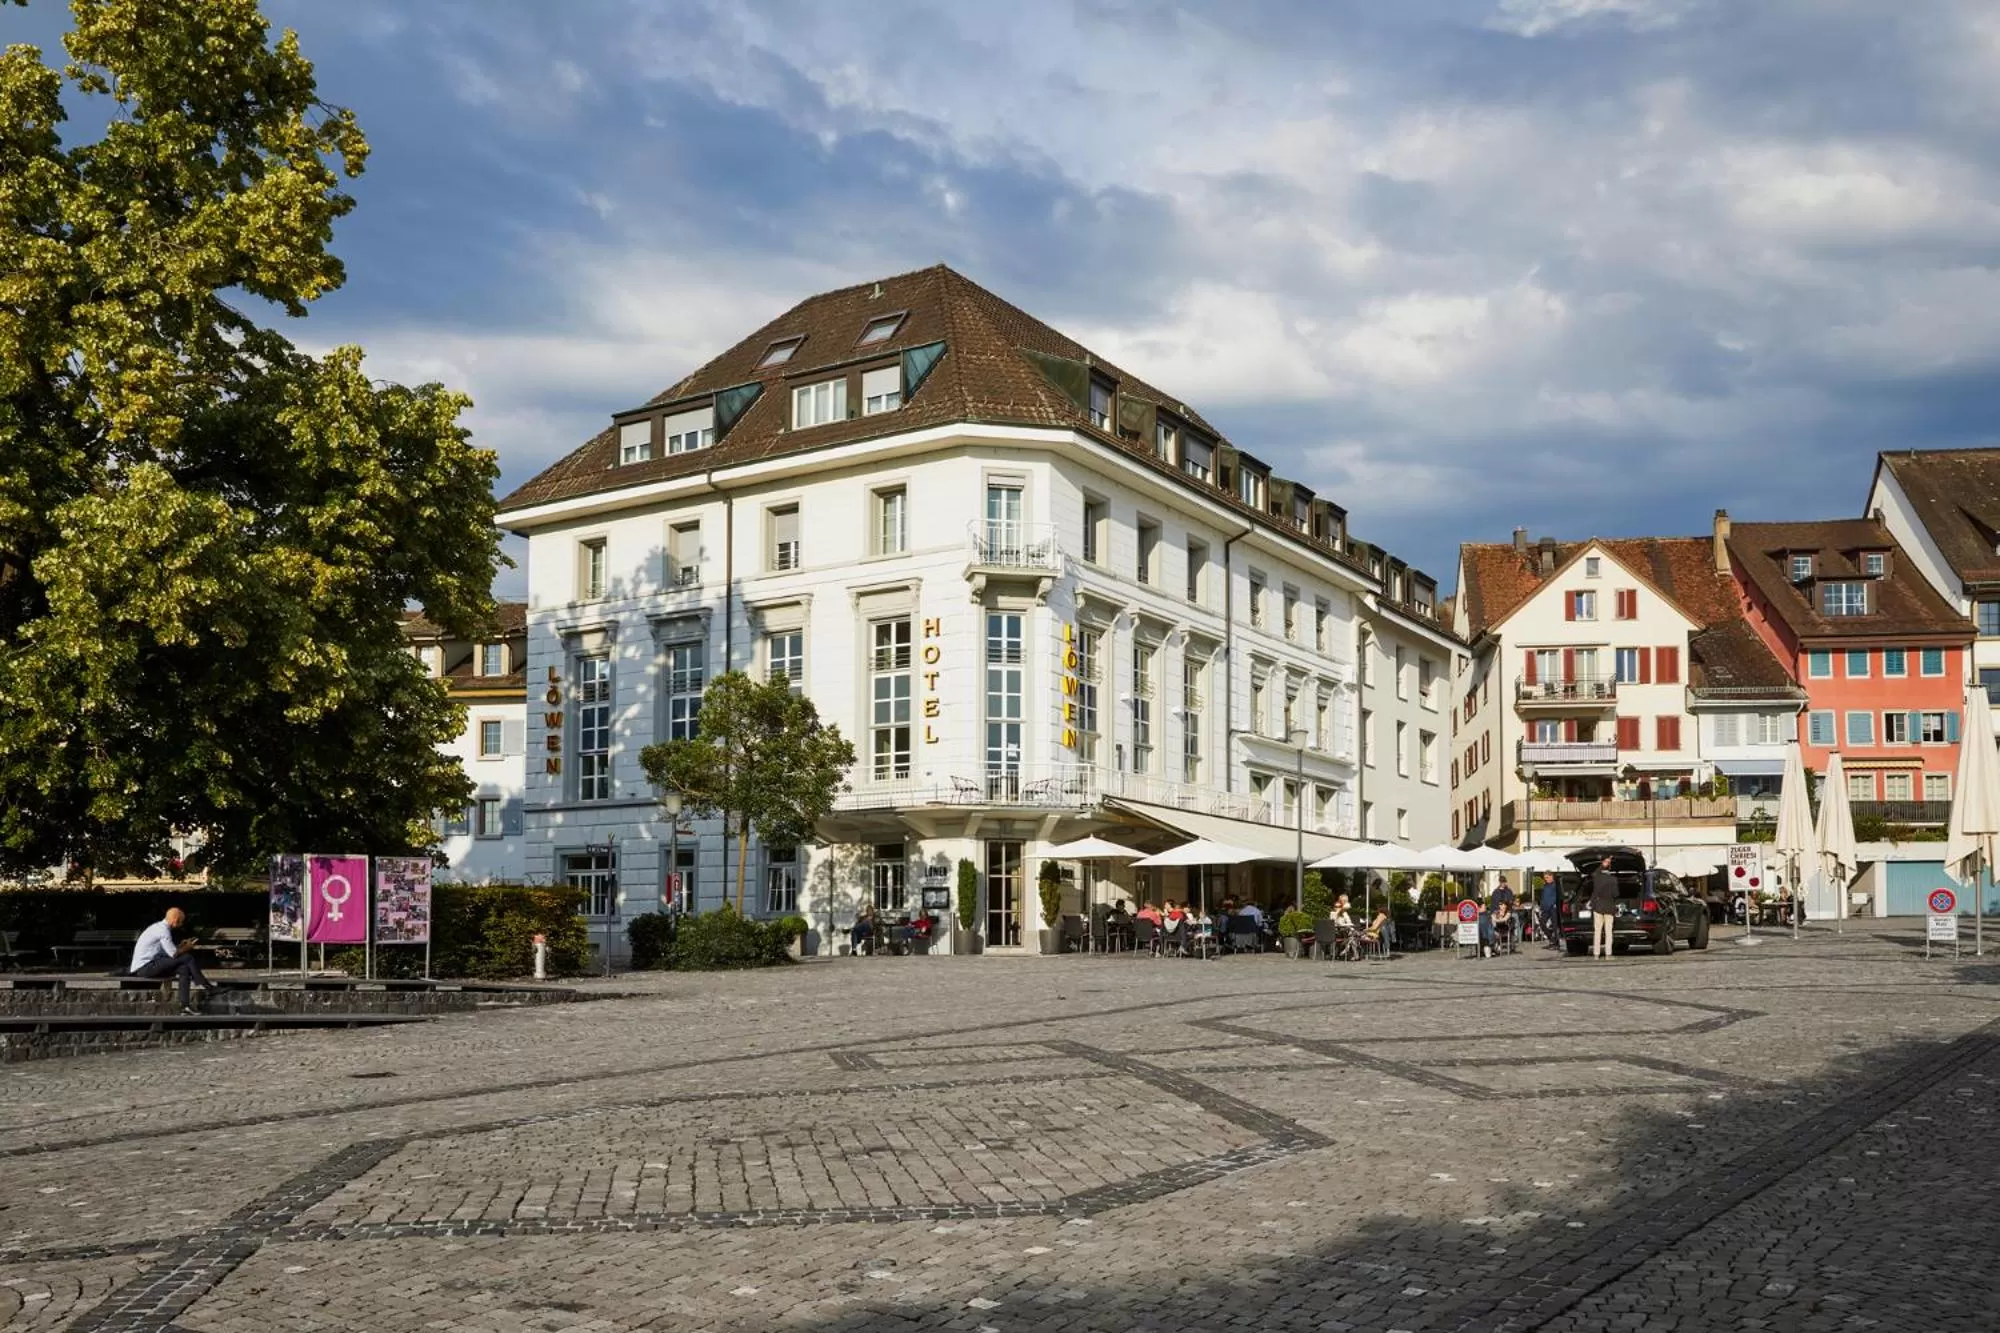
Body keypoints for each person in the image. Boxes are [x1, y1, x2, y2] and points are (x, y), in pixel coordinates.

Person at [129, 907, 210, 1013]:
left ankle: (184, 1006)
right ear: (175, 920)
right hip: (145, 967)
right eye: (181, 922)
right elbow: (173, 954)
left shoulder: (158, 927)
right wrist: (188, 947)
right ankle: (206, 985)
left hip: (150, 964)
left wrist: (180, 946)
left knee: (184, 968)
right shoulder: (163, 931)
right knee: (187, 957)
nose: (181, 925)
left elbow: (166, 951)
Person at [1590, 858, 1619, 958]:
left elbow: (1595, 872)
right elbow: (1616, 894)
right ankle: (1608, 953)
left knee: (1597, 931)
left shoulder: (1597, 877)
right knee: (1608, 932)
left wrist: (1604, 863)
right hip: (1609, 907)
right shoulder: (1613, 880)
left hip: (1598, 907)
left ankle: (1596, 954)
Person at [1537, 872, 1562, 951]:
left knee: (1555, 926)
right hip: (1545, 909)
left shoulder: (1555, 885)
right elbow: (1543, 897)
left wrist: (1554, 904)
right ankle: (1551, 939)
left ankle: (1556, 944)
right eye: (1545, 877)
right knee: (1542, 923)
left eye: (1547, 877)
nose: (1546, 879)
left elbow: (1556, 897)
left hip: (1553, 908)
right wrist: (1541, 907)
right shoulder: (1545, 886)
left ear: (1551, 876)